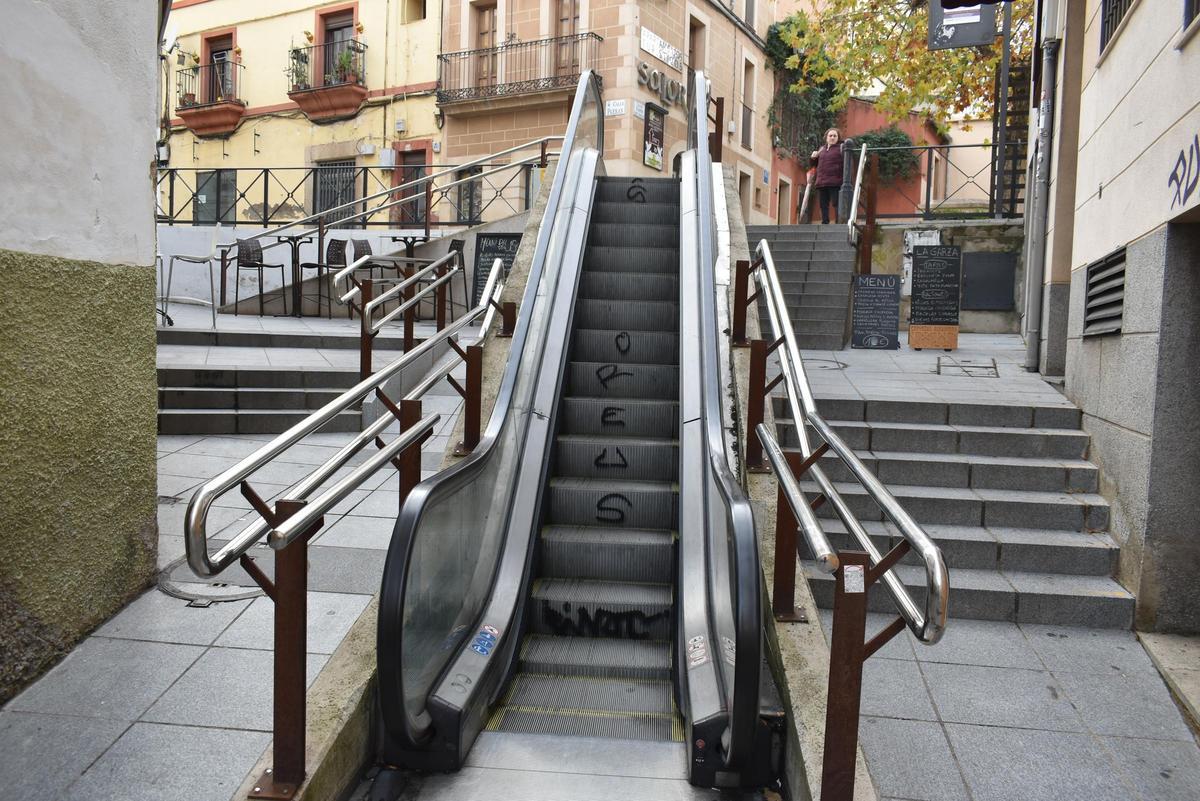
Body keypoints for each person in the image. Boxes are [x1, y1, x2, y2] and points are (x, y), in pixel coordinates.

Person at [811, 128, 844, 224]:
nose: (832, 137)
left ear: (838, 138)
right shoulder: (821, 149)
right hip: (822, 182)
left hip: (835, 181)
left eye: (835, 136)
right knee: (823, 204)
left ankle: (839, 223)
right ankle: (825, 222)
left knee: (836, 203)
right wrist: (813, 158)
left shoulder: (841, 148)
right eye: (830, 136)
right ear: (826, 137)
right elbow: (814, 165)